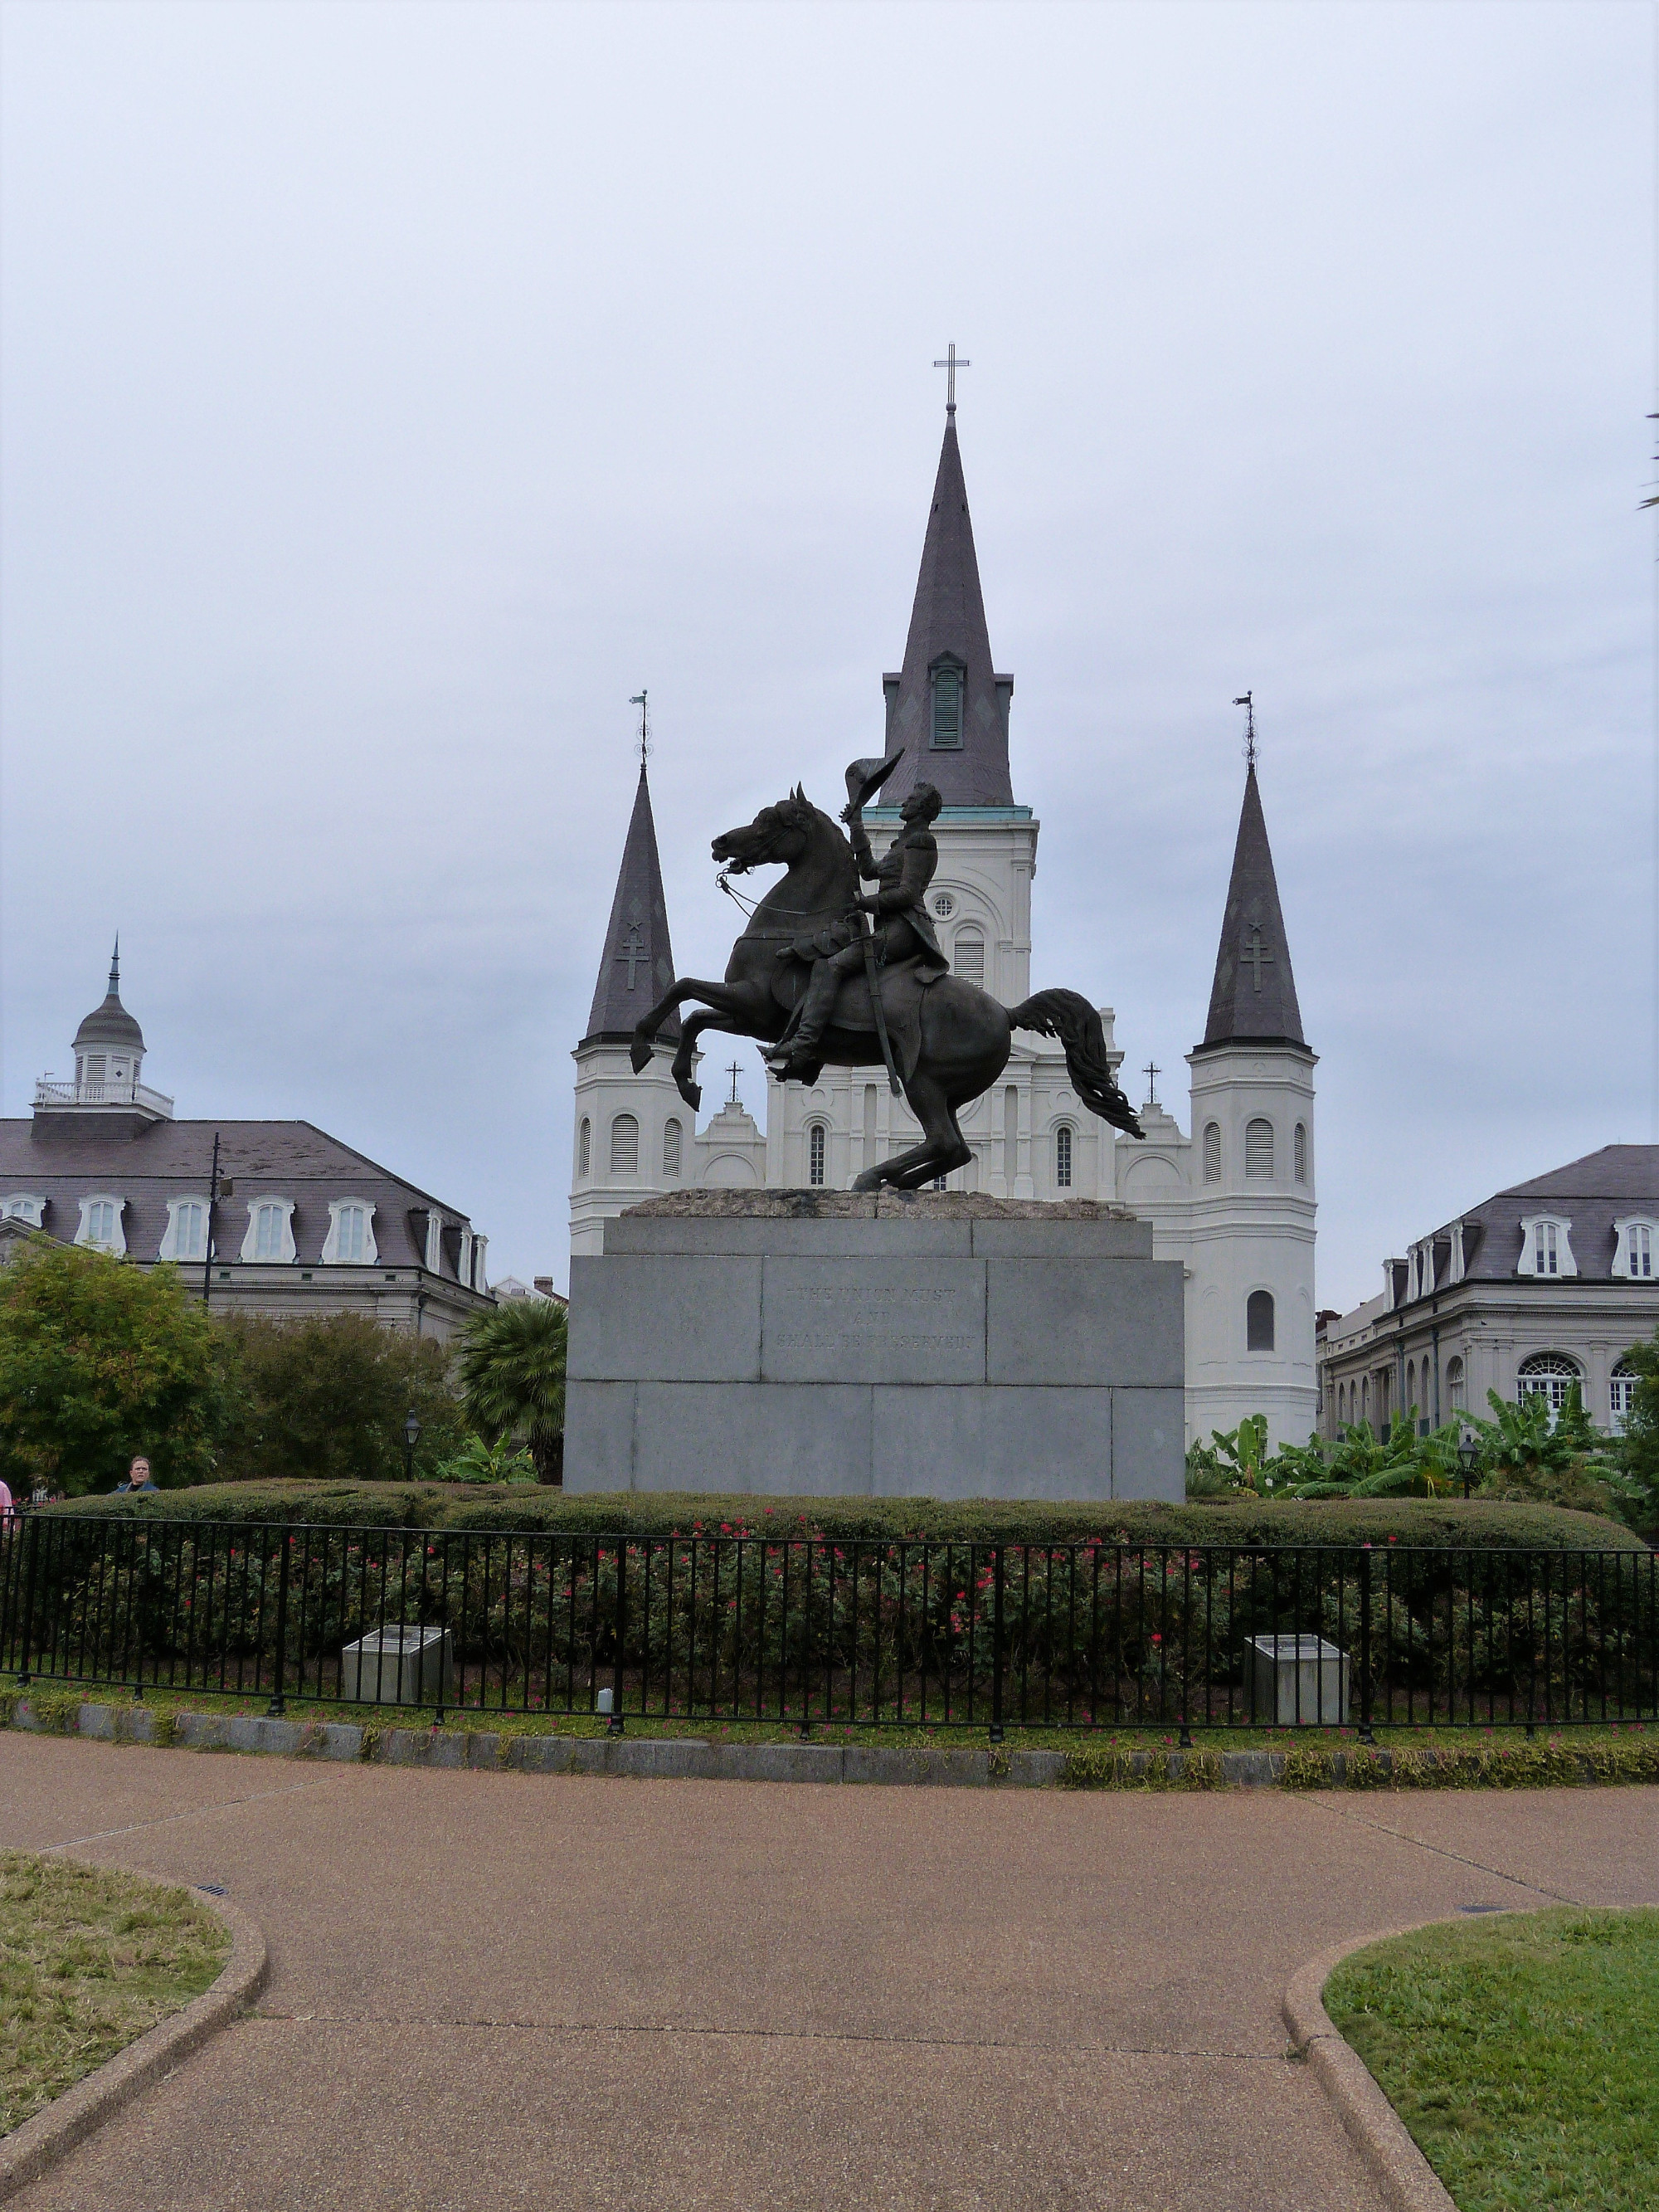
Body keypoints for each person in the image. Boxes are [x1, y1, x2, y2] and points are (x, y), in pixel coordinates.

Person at [767, 780, 949, 1080]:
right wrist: (856, 824)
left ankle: (806, 1042)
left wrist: (866, 902)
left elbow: (907, 894)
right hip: (886, 925)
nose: (906, 801)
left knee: (832, 967)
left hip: (904, 928)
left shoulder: (921, 842)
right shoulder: (902, 843)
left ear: (923, 808)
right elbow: (869, 870)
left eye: (913, 798)